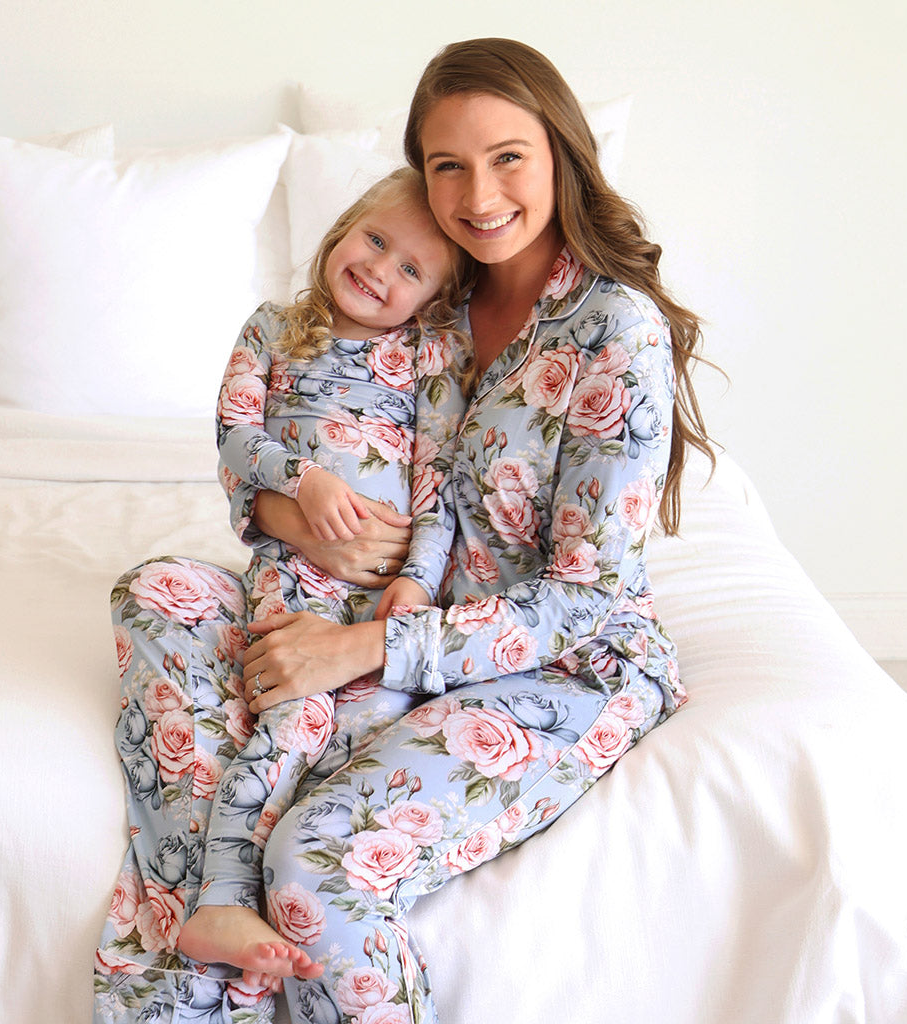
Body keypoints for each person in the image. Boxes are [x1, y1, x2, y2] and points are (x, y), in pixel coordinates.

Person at [94, 36, 715, 1024]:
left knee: (313, 858)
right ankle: (216, 908)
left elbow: (586, 595)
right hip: (368, 606)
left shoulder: (614, 328)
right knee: (159, 593)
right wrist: (292, 515)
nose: (479, 195)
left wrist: (360, 648)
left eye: (507, 157)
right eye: (447, 165)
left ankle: (212, 964)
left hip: (555, 665)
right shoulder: (436, 296)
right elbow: (295, 433)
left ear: (561, 152)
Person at [175, 167, 473, 985]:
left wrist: (418, 581)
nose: (379, 269)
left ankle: (314, 890)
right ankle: (221, 899)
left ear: (434, 298)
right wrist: (304, 481)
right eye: (375, 239)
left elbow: (439, 483)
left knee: (376, 725)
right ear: (344, 226)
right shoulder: (275, 327)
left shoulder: (429, 358)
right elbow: (235, 434)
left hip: (380, 598)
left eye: (410, 268)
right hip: (295, 577)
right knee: (292, 722)